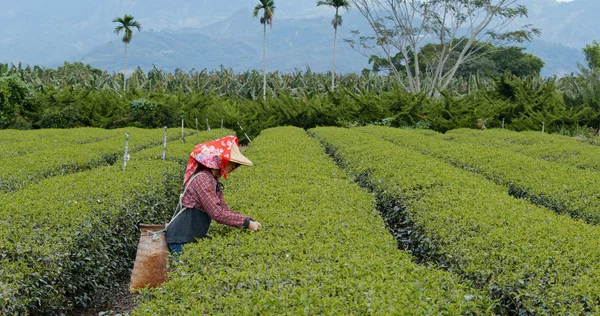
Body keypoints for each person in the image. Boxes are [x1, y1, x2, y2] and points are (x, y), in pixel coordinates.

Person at [166, 135, 261, 254]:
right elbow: (217, 213)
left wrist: (247, 220)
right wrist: (247, 223)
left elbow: (223, 209)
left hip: (191, 237)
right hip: (181, 239)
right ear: (220, 160)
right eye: (230, 163)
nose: (232, 168)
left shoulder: (213, 180)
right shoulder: (203, 179)